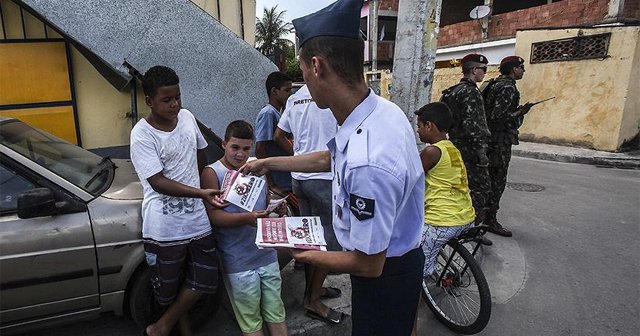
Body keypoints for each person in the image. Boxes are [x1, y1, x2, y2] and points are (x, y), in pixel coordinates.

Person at [240, 1, 425, 335]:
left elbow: (368, 264)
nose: (304, 84)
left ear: (317, 66)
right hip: (399, 263)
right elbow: (329, 158)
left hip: (384, 276)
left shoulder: (368, 160)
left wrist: (298, 252)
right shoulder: (378, 111)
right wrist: (267, 162)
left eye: (304, 73)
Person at [129, 65, 224, 336]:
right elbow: (157, 181)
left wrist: (204, 189)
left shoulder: (187, 117)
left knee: (206, 276)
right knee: (168, 288)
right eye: (167, 99)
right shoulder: (142, 134)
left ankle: (163, 325)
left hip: (196, 220)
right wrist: (200, 193)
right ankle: (177, 328)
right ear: (149, 101)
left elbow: (200, 154)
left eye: (178, 97)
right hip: (165, 227)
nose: (175, 104)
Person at [200, 120, 288, 336]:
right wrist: (246, 218)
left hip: (267, 254)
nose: (240, 154)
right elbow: (214, 217)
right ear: (224, 144)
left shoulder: (257, 166)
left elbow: (265, 199)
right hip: (238, 261)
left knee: (276, 313)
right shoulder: (213, 173)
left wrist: (277, 206)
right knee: (251, 322)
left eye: (246, 149)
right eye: (235, 147)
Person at [274, 84, 344, 324]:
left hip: (299, 178)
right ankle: (312, 299)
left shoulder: (295, 98)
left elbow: (279, 134)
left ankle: (315, 290)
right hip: (323, 178)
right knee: (326, 244)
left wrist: (298, 155)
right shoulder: (331, 93)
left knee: (311, 240)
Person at [411, 102, 477, 336]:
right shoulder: (452, 148)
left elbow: (410, 178)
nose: (417, 130)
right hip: (465, 217)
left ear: (430, 125)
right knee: (432, 244)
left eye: (419, 126)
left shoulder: (431, 151)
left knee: (414, 263)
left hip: (442, 221)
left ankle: (413, 307)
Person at [440, 54, 492, 228]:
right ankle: (472, 227)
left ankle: (459, 223)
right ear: (474, 70)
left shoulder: (453, 91)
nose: (485, 73)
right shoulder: (470, 92)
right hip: (470, 149)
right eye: (483, 69)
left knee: (460, 187)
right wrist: (480, 151)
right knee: (481, 188)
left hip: (455, 145)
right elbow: (472, 124)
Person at [481, 56, 529, 237]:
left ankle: (482, 218)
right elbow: (498, 116)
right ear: (513, 69)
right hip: (499, 141)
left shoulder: (494, 83)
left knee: (488, 180)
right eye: (521, 67)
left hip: (490, 139)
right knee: (497, 181)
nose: (523, 71)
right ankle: (489, 220)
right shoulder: (507, 87)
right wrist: (521, 112)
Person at [255, 71, 294, 197]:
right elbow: (260, 149)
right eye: (287, 90)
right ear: (274, 91)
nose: (290, 95)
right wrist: (271, 184)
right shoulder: (268, 113)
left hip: (287, 179)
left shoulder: (280, 114)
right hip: (279, 183)